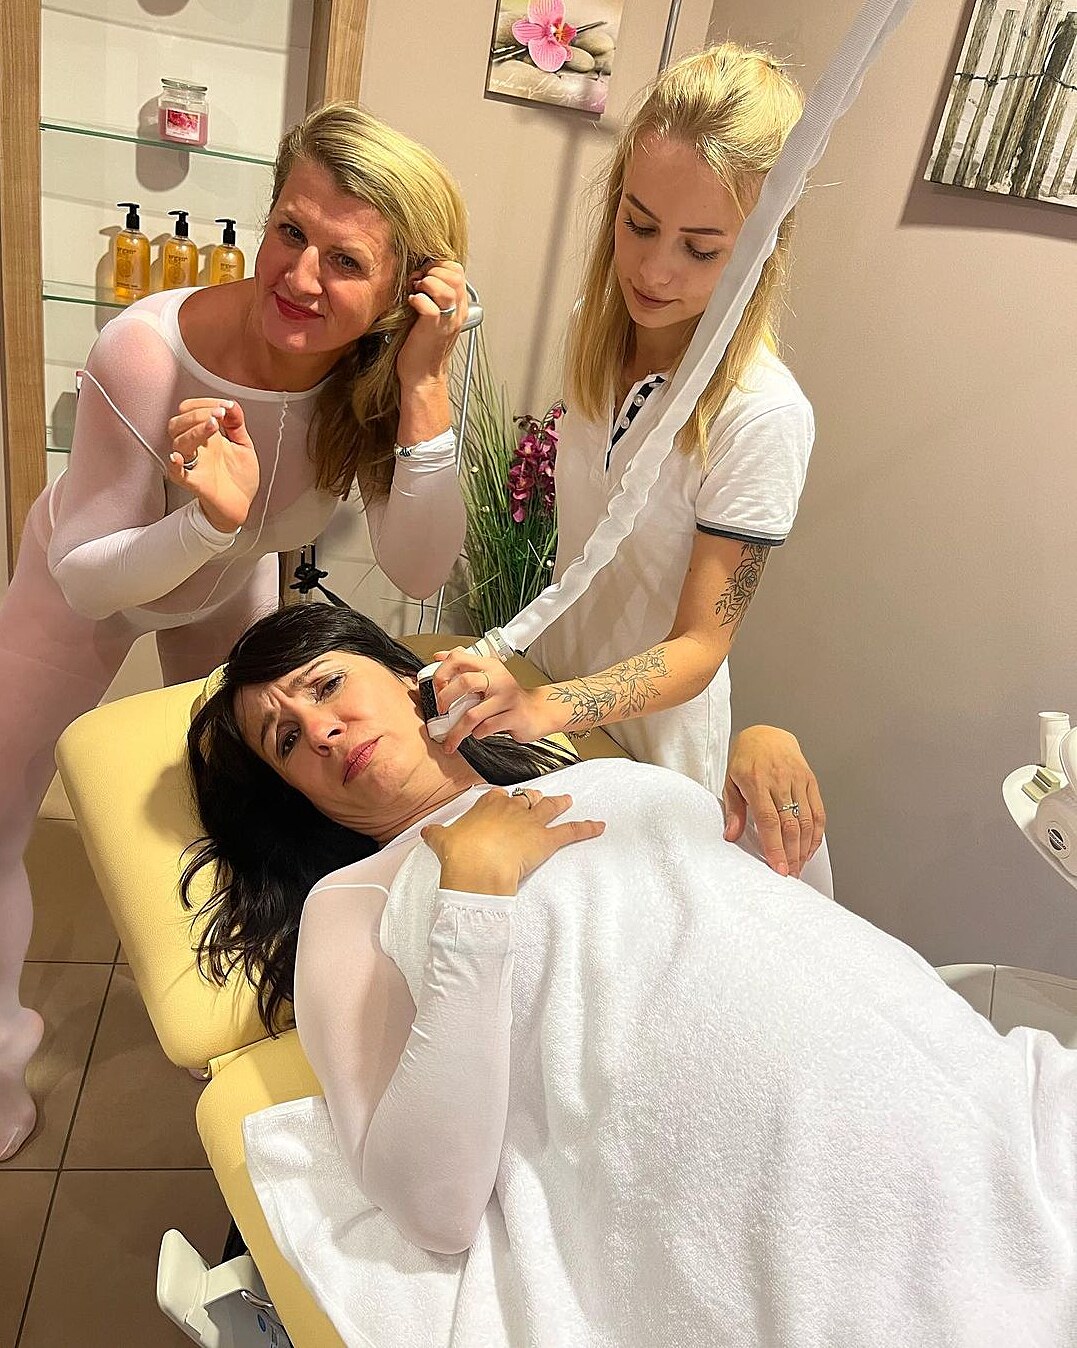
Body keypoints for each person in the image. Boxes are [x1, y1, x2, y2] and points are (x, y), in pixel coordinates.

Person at [187, 604, 1076, 1347]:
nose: (320, 730)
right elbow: (430, 1207)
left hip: (953, 1086)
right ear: (298, 794)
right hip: (775, 1197)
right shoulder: (353, 902)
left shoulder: (611, 774)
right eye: (286, 741)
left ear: (403, 673)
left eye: (326, 686)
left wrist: (772, 779)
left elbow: (800, 925)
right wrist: (472, 903)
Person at [0, 102, 472, 1162]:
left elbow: (418, 569)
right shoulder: (145, 352)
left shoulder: (374, 382)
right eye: (289, 232)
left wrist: (426, 386)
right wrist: (205, 523)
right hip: (83, 585)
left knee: (254, 812)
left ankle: (257, 1016)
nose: (299, 277)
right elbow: (83, 579)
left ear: (404, 292)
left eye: (345, 261)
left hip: (222, 585)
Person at [429, 45, 829, 888]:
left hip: (651, 759)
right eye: (639, 224)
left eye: (701, 249)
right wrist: (522, 686)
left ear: (760, 247)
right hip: (551, 717)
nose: (653, 270)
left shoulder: (761, 416)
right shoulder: (597, 328)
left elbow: (699, 648)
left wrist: (549, 706)